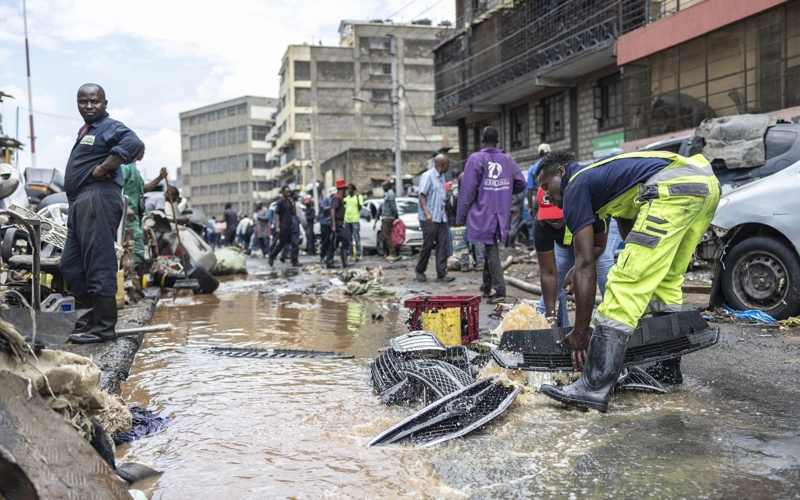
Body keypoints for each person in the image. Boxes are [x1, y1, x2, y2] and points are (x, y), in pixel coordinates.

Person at [535, 150, 720, 413]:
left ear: (561, 173)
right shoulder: (607, 180)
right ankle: (668, 369)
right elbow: (626, 230)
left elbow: (587, 265)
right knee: (664, 280)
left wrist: (580, 331)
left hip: (673, 192)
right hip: (705, 187)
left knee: (625, 281)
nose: (546, 196)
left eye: (546, 186)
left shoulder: (575, 183)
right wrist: (578, 268)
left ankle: (593, 385)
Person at [63, 83, 143, 344]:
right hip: (80, 203)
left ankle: (104, 328)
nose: (88, 106)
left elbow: (135, 143)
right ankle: (89, 321)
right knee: (71, 265)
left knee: (99, 262)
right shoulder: (87, 130)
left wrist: (103, 168)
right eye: (83, 102)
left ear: (105, 104)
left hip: (97, 198)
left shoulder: (110, 126)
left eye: (94, 102)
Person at [457, 126, 526, 304]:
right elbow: (520, 183)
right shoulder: (507, 159)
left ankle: (500, 289)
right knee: (490, 245)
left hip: (483, 211)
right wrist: (504, 191)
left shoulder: (476, 159)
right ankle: (486, 287)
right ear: (497, 140)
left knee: (490, 247)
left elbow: (467, 191)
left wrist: (460, 218)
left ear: (482, 139)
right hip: (501, 211)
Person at [533, 187, 621, 325]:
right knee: (559, 267)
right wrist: (550, 316)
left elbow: (597, 247)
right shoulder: (542, 224)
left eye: (556, 214)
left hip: (598, 235)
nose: (552, 219)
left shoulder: (591, 211)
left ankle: (615, 318)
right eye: (548, 214)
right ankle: (542, 318)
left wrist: (576, 270)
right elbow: (548, 272)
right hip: (568, 238)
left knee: (602, 263)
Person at [120, 144, 167, 275]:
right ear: (136, 150)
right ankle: (130, 283)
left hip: (136, 218)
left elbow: (143, 189)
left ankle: (134, 284)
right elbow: (116, 187)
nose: (144, 153)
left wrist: (159, 178)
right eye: (143, 150)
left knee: (135, 252)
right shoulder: (125, 167)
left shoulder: (135, 169)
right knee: (137, 253)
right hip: (127, 217)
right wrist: (125, 206)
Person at [415, 154, 455, 283]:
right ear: (442, 165)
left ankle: (441, 273)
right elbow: (421, 196)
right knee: (428, 245)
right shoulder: (428, 176)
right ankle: (420, 271)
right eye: (447, 166)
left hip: (441, 218)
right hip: (429, 218)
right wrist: (426, 214)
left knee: (442, 245)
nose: (448, 168)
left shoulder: (442, 178)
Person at [269, 186, 301, 267]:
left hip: (291, 225)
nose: (288, 193)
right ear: (283, 192)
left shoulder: (289, 202)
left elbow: (293, 213)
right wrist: (277, 226)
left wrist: (294, 202)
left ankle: (294, 261)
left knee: (295, 243)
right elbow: (276, 214)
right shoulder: (280, 202)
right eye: (287, 192)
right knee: (281, 244)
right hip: (283, 226)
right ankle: (272, 256)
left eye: (289, 192)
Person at [326, 179, 352, 269]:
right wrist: (334, 225)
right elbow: (332, 210)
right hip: (337, 222)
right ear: (343, 189)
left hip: (338, 222)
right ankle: (343, 262)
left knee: (334, 242)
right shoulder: (337, 197)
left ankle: (330, 261)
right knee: (346, 238)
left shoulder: (339, 198)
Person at [526, 143, 551, 221]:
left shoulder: (532, 169)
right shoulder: (554, 165)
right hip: (552, 199)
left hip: (538, 201)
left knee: (537, 225)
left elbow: (530, 191)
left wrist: (530, 207)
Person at [343, 183, 363, 261]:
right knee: (349, 238)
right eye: (348, 189)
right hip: (347, 220)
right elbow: (344, 208)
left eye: (350, 189)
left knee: (356, 237)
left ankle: (358, 254)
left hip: (355, 220)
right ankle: (350, 254)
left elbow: (359, 207)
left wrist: (357, 198)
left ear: (354, 189)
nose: (349, 190)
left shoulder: (358, 197)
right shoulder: (346, 198)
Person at [381, 181, 398, 259]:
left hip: (388, 217)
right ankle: (389, 252)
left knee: (387, 236)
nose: (383, 188)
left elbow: (393, 207)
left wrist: (395, 216)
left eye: (384, 187)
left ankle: (392, 252)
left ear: (388, 186)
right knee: (386, 236)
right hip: (387, 217)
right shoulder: (388, 194)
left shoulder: (390, 194)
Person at [318, 190, 333, 264]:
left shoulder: (332, 200)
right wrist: (332, 206)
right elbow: (324, 208)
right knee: (325, 240)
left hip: (329, 223)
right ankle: (322, 256)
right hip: (324, 223)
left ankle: (328, 257)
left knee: (329, 241)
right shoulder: (326, 199)